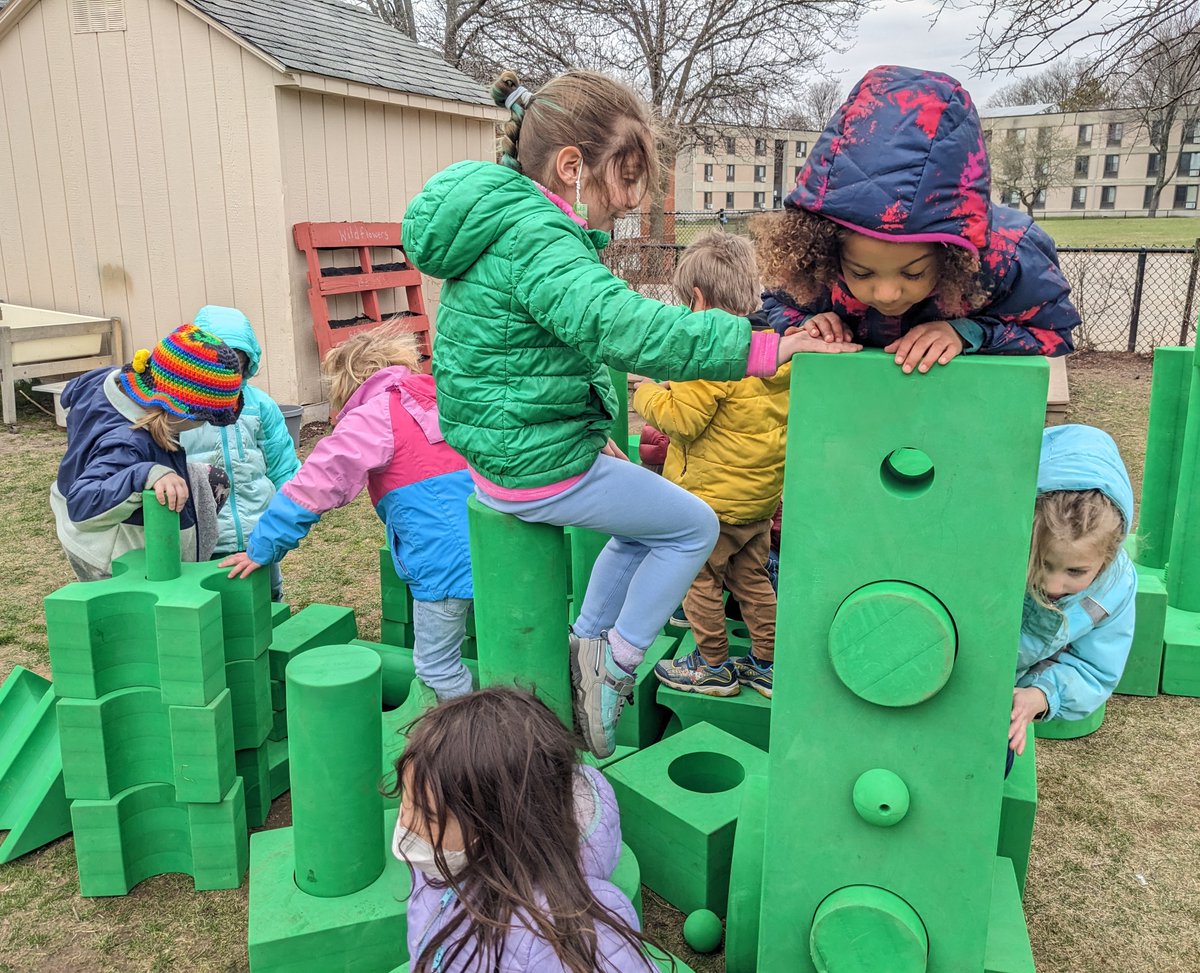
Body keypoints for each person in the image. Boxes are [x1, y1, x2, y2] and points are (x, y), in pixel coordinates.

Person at [400, 67, 856, 756]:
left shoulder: (502, 224)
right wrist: (766, 345)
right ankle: (614, 665)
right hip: (527, 463)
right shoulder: (540, 238)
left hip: (505, 448)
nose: (629, 206)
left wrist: (588, 432)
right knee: (693, 525)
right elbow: (625, 328)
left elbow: (536, 353)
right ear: (572, 166)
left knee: (646, 518)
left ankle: (588, 641)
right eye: (624, 183)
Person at [753, 65, 1079, 375]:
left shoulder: (1005, 258)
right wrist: (813, 322)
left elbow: (1052, 331)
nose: (887, 293)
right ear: (829, 252)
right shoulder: (816, 267)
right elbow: (777, 302)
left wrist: (969, 333)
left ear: (952, 255)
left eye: (913, 272)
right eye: (861, 272)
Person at [222, 326, 475, 702]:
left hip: (445, 561)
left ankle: (470, 752)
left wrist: (262, 546)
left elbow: (314, 485)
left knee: (438, 666)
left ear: (347, 381)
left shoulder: (374, 415)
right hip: (506, 539)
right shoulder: (445, 395)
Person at [389, 687, 662, 973]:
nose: (406, 824)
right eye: (406, 802)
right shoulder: (442, 861)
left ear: (498, 827)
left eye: (428, 815)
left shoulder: (571, 938)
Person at [634, 233, 784, 699]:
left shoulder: (712, 353)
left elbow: (682, 420)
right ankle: (769, 664)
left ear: (697, 299)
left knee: (697, 578)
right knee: (752, 579)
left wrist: (645, 391)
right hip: (757, 499)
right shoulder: (777, 348)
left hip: (709, 503)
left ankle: (713, 665)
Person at [50, 324, 244, 581]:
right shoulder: (126, 443)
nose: (206, 423)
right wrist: (145, 474)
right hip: (109, 552)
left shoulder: (110, 380)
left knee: (210, 479)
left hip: (85, 510)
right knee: (138, 613)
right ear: (176, 408)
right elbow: (83, 506)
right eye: (204, 417)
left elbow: (73, 390)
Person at [1009, 424, 1136, 759]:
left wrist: (1041, 694)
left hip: (1009, 694)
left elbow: (1094, 668)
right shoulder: (1003, 547)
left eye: (1076, 571)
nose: (1052, 586)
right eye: (1041, 561)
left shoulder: (1114, 588)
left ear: (1106, 558)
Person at [180, 306, 300, 602]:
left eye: (238, 362)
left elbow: (283, 467)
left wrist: (284, 520)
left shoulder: (260, 406)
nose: (229, 373)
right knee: (210, 602)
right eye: (219, 363)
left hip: (258, 532)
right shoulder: (180, 408)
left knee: (267, 597)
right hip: (205, 535)